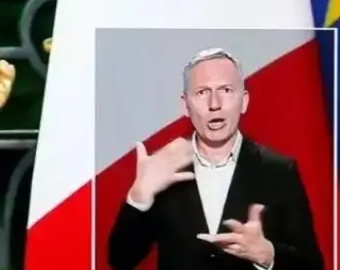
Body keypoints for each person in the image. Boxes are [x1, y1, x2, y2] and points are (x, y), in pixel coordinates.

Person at [106, 47, 323, 270]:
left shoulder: (278, 171)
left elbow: (312, 265)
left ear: (244, 101)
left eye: (226, 90)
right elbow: (120, 260)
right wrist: (139, 197)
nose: (214, 103)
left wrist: (268, 255)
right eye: (202, 92)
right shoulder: (164, 169)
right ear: (185, 106)